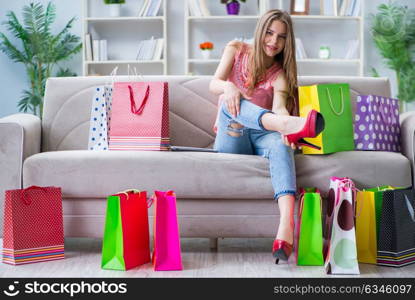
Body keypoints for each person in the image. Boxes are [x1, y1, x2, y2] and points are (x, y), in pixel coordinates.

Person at [209, 9, 324, 264]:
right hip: (232, 134)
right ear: (260, 30)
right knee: (231, 104)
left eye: (281, 37)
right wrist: (229, 87)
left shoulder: (279, 74)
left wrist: (282, 120)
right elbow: (214, 83)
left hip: (263, 135)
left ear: (287, 42)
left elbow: (280, 105)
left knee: (279, 143)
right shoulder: (236, 49)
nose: (274, 41)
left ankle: (285, 225)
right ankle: (288, 125)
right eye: (270, 33)